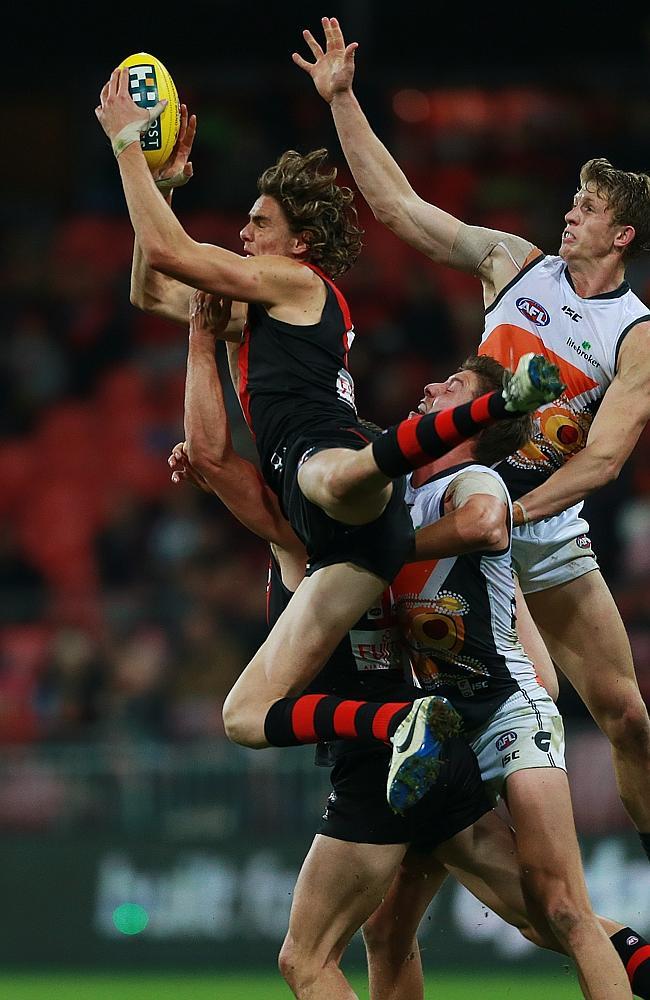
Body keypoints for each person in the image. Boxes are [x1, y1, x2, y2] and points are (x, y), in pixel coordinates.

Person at [96, 72, 559, 783]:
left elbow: (171, 255)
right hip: (346, 547)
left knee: (332, 473)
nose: (244, 235)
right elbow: (149, 288)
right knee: (244, 717)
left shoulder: (298, 285)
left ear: (300, 244)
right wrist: (163, 188)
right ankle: (402, 722)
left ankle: (500, 403)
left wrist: (131, 147)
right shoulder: (253, 308)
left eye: (259, 224)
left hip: (331, 461)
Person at [171, 298, 640, 999]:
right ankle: (636, 956)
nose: (427, 390)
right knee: (524, 916)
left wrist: (203, 337)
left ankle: (394, 724)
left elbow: (219, 455)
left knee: (306, 951)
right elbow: (225, 460)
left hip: (389, 744)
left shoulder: (342, 527)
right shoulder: (403, 501)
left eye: (450, 387)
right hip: (443, 729)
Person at [293, 15, 650, 861]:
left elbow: (603, 458)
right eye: (572, 200)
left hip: (541, 526)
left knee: (627, 715)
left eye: (588, 209)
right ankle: (440, 844)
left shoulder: (634, 334)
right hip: (456, 505)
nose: (570, 215)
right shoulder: (515, 263)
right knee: (497, 703)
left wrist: (519, 519)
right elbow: (397, 206)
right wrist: (343, 101)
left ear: (622, 237)